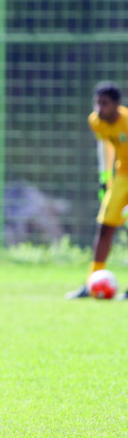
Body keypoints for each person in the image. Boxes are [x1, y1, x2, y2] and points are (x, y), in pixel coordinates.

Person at [66, 81, 128, 299]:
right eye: (97, 103)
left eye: (105, 104)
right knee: (105, 226)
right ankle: (92, 281)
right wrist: (105, 178)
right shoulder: (96, 121)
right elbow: (105, 146)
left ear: (117, 105)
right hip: (122, 176)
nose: (100, 108)